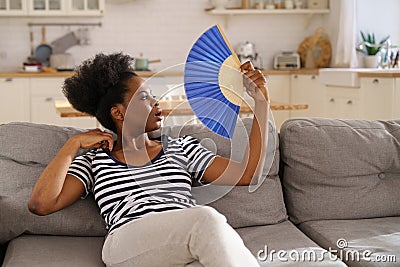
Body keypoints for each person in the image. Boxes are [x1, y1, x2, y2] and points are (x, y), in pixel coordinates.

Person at [28, 52, 270, 267]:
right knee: (206, 218)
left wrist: (261, 101)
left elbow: (248, 174)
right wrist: (72, 144)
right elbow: (41, 204)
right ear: (118, 112)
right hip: (128, 241)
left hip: (184, 241)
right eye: (144, 97)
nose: (156, 103)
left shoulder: (181, 148)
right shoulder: (95, 161)